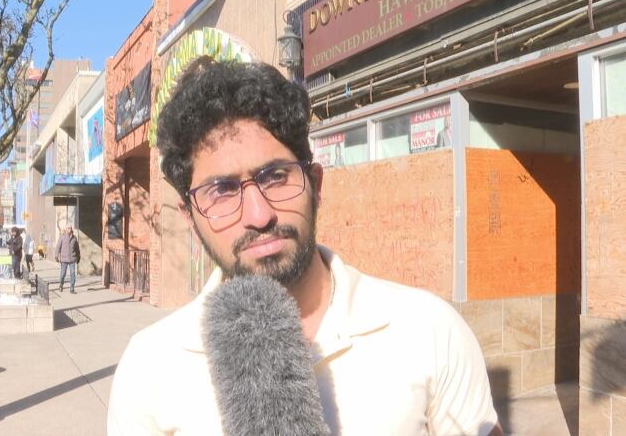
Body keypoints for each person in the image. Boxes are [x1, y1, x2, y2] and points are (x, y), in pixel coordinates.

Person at [106, 60, 502, 435]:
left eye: (276, 176)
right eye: (221, 191)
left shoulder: (429, 329)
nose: (259, 215)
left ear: (316, 184)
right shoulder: (149, 365)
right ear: (190, 216)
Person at [55, 226, 79, 293]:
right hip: (64, 259)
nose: (70, 229)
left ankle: (72, 288)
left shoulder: (74, 238)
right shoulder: (62, 237)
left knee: (72, 274)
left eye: (71, 228)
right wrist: (56, 256)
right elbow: (58, 247)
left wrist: (78, 256)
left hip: (72, 259)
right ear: (66, 229)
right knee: (63, 274)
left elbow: (77, 248)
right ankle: (61, 284)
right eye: (68, 228)